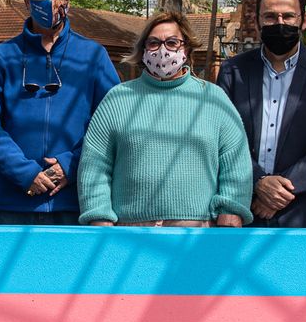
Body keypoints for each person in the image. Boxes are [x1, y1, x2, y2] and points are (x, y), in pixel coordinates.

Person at [0, 0, 119, 225]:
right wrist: (24, 171)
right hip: (17, 199)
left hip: (78, 198)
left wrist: (71, 165)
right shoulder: (1, 56)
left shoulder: (93, 56)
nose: (52, 0)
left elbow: (113, 121)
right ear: (27, 1)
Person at [78, 12, 251, 228]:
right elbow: (95, 163)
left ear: (186, 49)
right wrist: (98, 215)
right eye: (154, 43)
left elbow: (236, 160)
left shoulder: (213, 98)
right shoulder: (118, 98)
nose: (163, 50)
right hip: (130, 230)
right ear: (143, 50)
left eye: (172, 43)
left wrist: (232, 210)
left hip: (198, 230)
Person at [217, 0, 306, 229]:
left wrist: (280, 192)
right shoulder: (233, 72)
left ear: (303, 20)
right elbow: (223, 139)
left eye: (288, 16)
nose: (279, 22)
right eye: (270, 16)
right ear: (258, 21)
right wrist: (259, 183)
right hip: (245, 210)